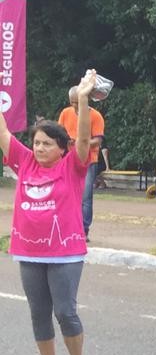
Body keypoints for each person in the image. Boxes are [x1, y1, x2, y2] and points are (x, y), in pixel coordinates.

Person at [2, 71, 98, 355]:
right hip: (28, 251)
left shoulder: (72, 167)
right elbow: (2, 132)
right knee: (38, 311)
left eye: (47, 144)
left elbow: (84, 140)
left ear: (62, 148)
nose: (39, 148)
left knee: (64, 311)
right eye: (36, 143)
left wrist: (83, 99)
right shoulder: (25, 162)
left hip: (65, 253)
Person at [57, 84, 105, 240]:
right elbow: (58, 134)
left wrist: (80, 143)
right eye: (72, 102)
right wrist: (66, 142)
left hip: (88, 160)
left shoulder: (96, 116)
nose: (74, 106)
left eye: (77, 102)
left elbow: (97, 141)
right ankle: (66, 227)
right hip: (67, 160)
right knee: (65, 193)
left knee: (85, 197)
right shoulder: (65, 113)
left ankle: (83, 230)